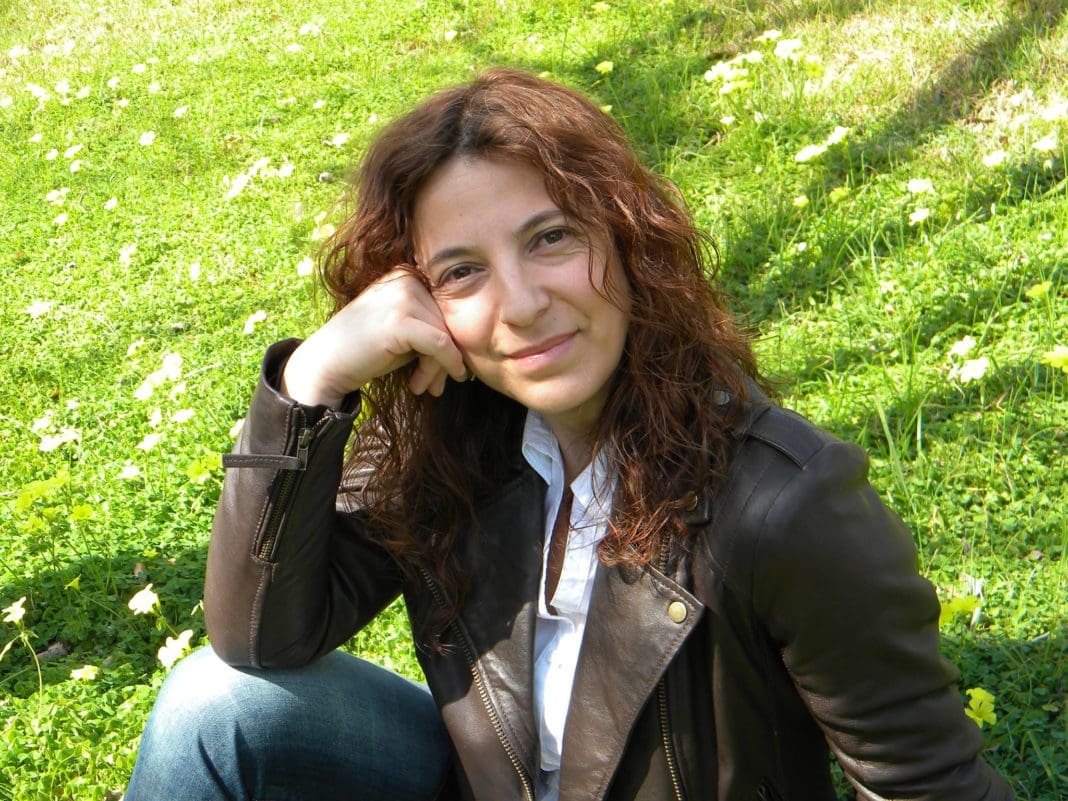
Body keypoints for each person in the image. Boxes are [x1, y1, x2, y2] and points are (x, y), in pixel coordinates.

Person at [124, 69, 1012, 801]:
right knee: (213, 702)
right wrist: (312, 379)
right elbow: (260, 639)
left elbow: (928, 786)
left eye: (550, 238)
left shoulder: (785, 504)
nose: (519, 304)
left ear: (627, 239)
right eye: (462, 272)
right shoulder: (446, 444)